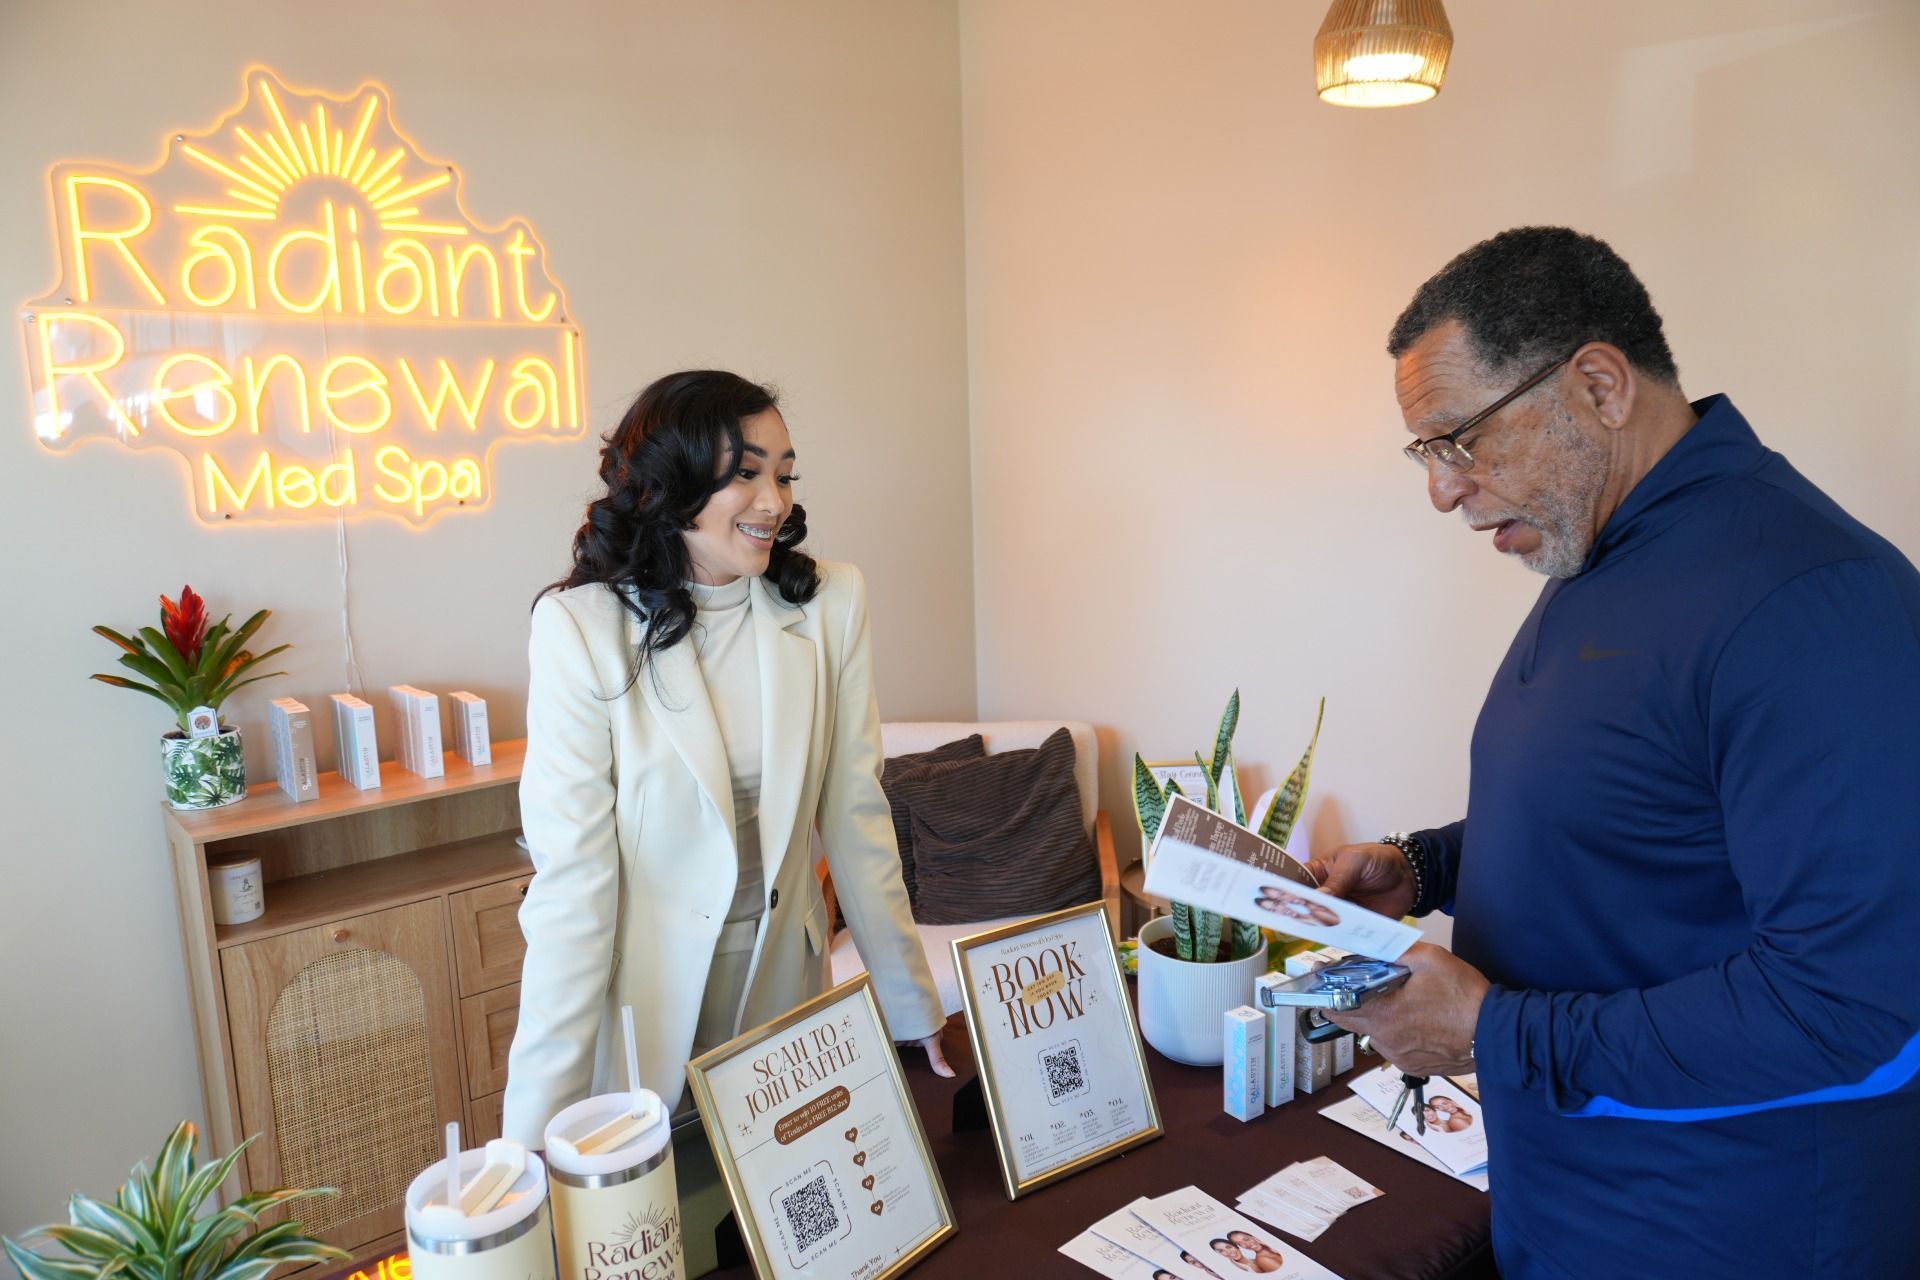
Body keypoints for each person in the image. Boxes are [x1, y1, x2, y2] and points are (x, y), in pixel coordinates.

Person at [1313, 227, 1920, 1276]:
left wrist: (1493, 1035)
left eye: (1459, 439)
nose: (1442, 490)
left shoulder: (1813, 600)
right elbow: (1643, 804)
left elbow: (1853, 1005)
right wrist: (1425, 865)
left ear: (1598, 383)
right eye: (1427, 453)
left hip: (1726, 1227)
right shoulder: (1602, 544)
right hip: (1569, 1200)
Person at [502, 370, 951, 1149]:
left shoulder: (830, 604)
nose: (773, 500)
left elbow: (854, 815)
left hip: (787, 992)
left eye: (783, 473)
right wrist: (531, 1138)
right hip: (650, 1005)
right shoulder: (580, 630)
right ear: (669, 487)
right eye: (744, 473)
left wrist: (910, 1004)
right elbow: (574, 891)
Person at [1253, 885, 1341, 927]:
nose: (1286, 900)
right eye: (1272, 910)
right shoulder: (1300, 920)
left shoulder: (1315, 905)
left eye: (1282, 893)